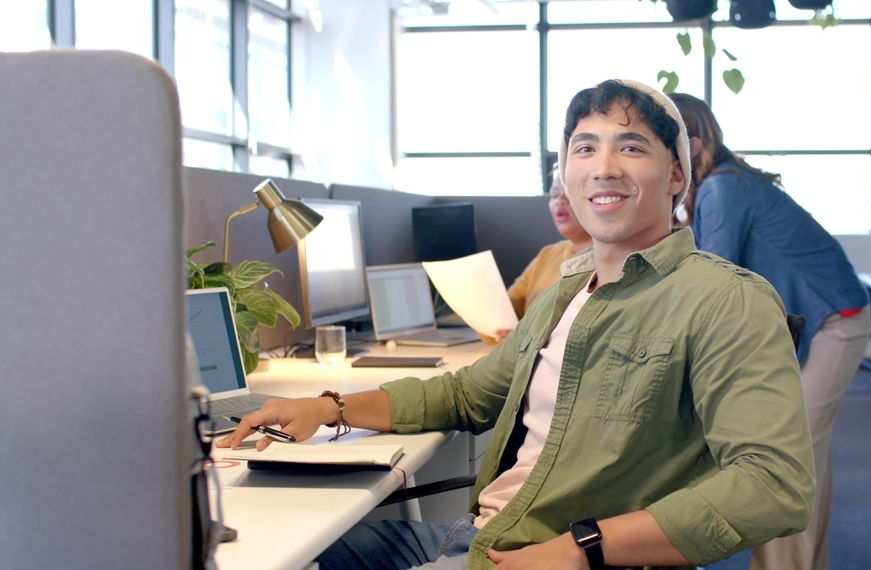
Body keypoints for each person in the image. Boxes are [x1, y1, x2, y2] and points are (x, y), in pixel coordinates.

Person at [220, 79, 814, 570]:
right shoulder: (565, 293)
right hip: (476, 539)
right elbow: (466, 392)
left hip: (557, 556)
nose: (603, 168)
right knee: (287, 554)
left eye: (631, 147)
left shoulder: (724, 300)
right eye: (584, 149)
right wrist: (328, 408)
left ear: (677, 176)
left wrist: (583, 549)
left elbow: (773, 486)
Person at [669, 92, 871, 570]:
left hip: (833, 325)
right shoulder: (725, 184)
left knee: (786, 463)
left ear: (693, 143)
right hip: (836, 320)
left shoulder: (722, 188)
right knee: (808, 459)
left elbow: (713, 277)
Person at [506, 167, 592, 319]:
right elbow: (507, 307)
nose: (560, 201)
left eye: (568, 194)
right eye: (554, 195)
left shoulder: (612, 261)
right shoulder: (548, 254)